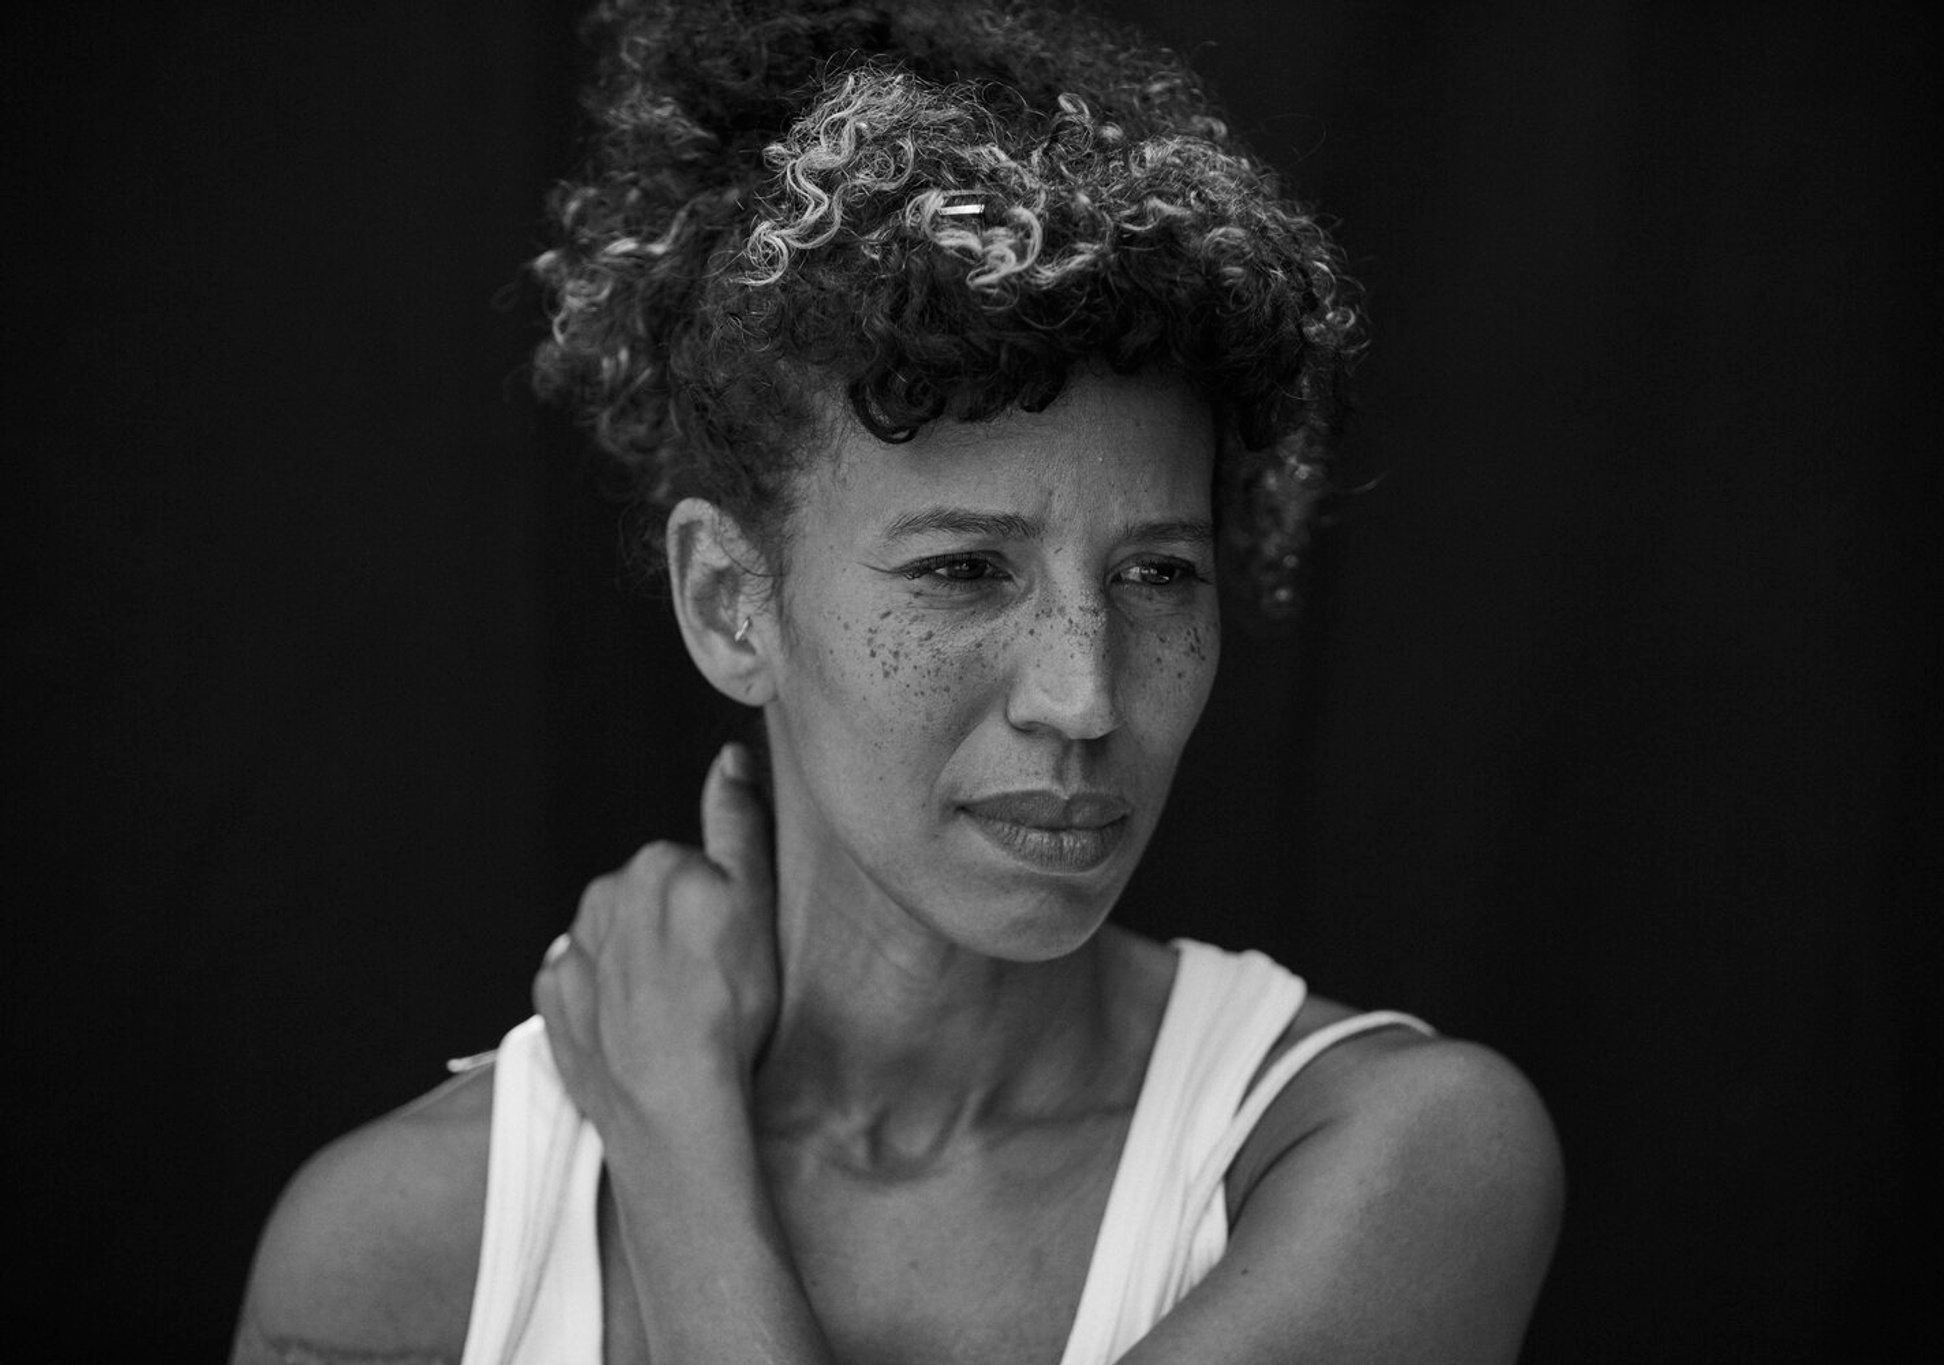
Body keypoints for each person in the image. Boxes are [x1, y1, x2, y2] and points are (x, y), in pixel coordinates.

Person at [230, 2, 1563, 1361]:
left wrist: (680, 1151)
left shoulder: (1382, 1156)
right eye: (964, 571)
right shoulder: (402, 1249)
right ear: (727, 601)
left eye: (1158, 574)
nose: (1085, 695)